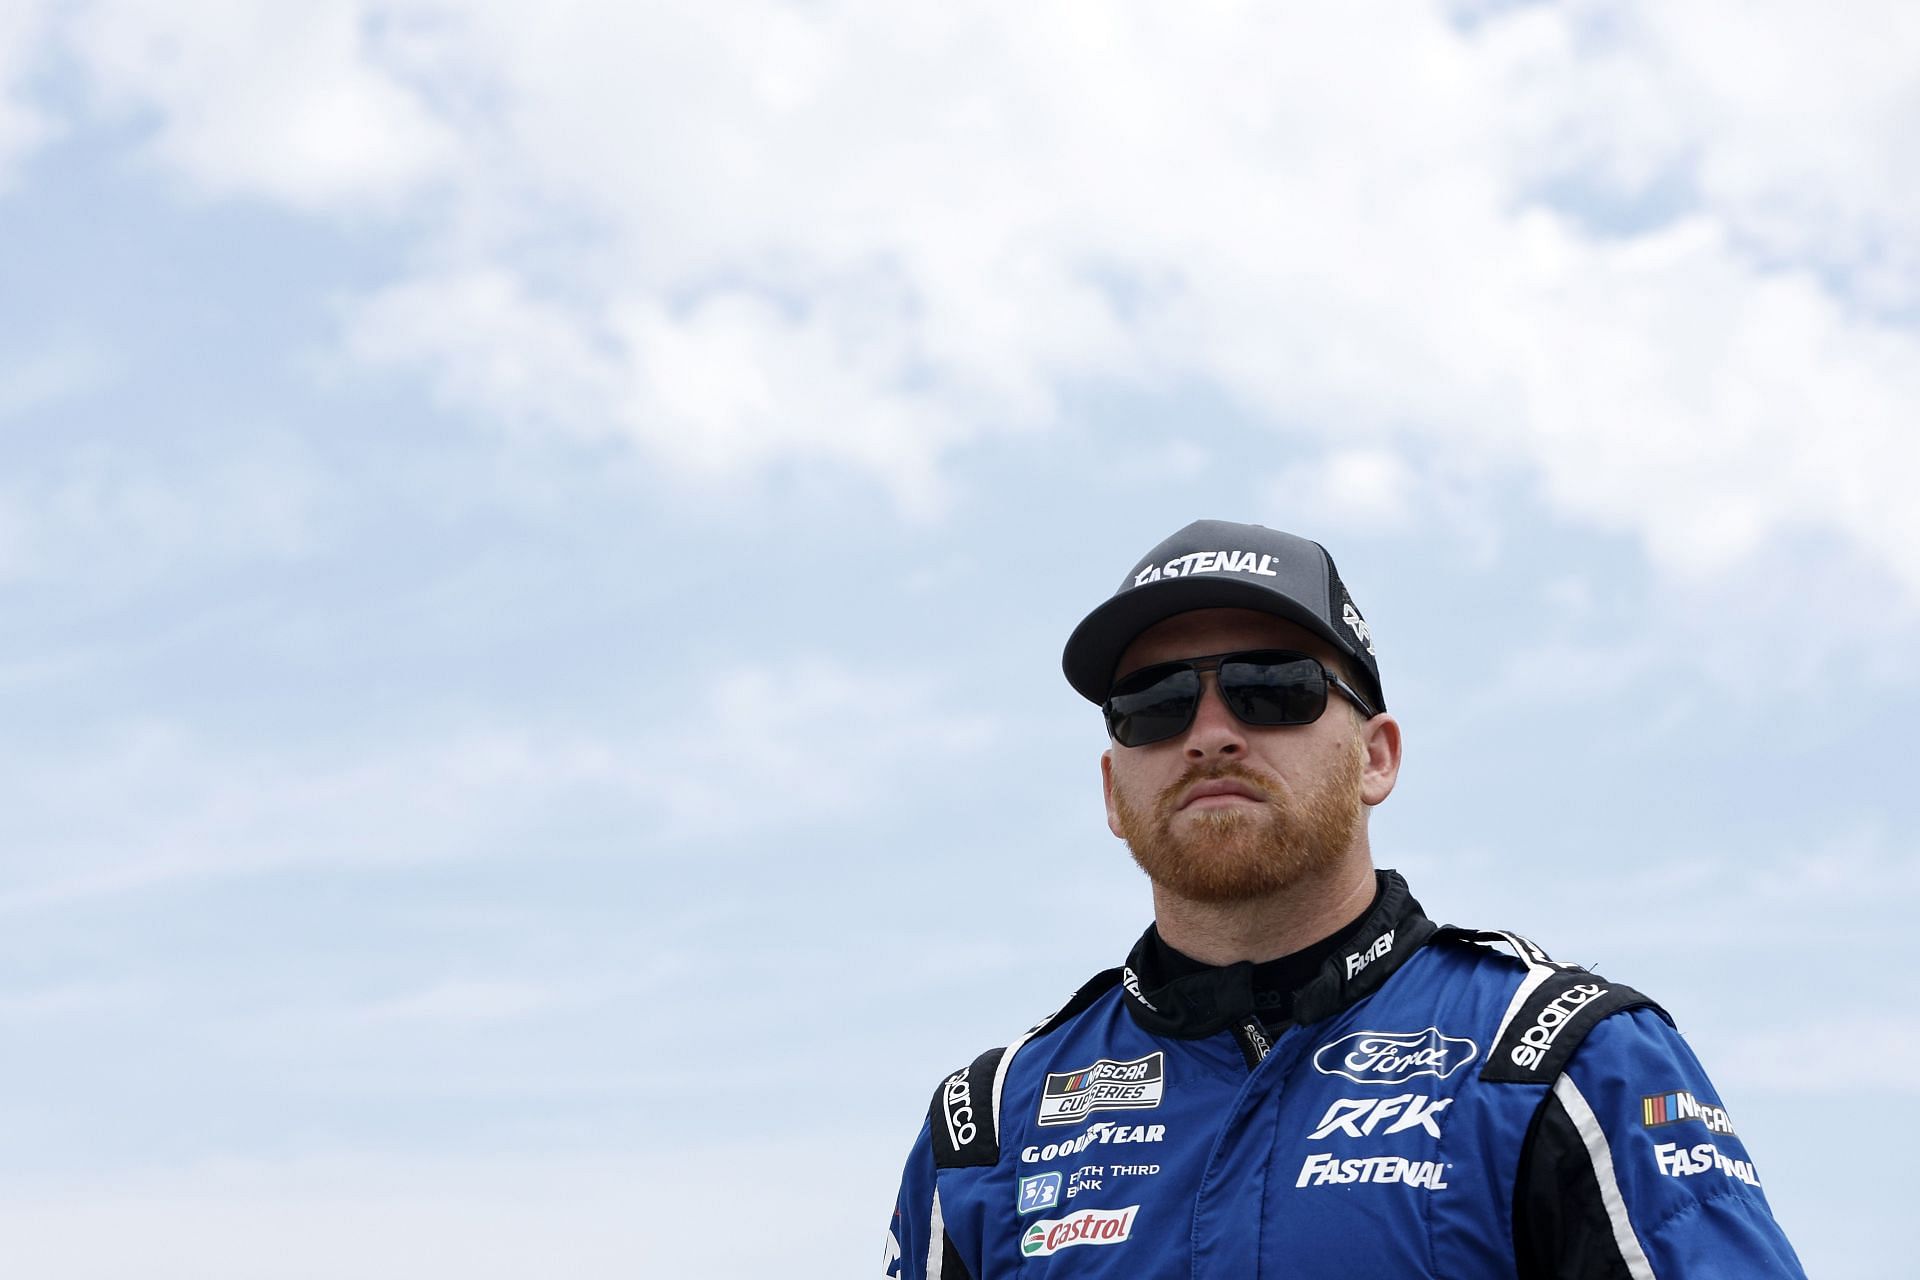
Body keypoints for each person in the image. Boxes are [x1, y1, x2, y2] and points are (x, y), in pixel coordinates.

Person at [882, 519, 1805, 1279]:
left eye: (1270, 690)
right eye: (1155, 704)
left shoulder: (1562, 1063)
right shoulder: (989, 1127)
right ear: (1113, 791)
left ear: (1376, 757)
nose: (1210, 734)